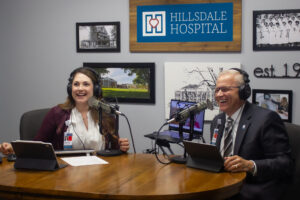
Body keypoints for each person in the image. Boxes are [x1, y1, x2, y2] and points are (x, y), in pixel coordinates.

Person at [0, 67, 129, 155]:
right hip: (65, 175)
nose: (80, 88)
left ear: (95, 89)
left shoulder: (105, 114)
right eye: (76, 84)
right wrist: (14, 148)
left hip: (101, 173)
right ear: (70, 88)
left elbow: (113, 149)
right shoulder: (57, 113)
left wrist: (121, 147)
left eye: (86, 84)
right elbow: (38, 144)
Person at [210, 68, 293, 200]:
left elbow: (284, 164)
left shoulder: (266, 119)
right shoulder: (217, 121)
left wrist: (250, 165)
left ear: (244, 91)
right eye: (217, 90)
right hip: (222, 186)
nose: (219, 94)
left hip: (251, 190)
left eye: (225, 89)